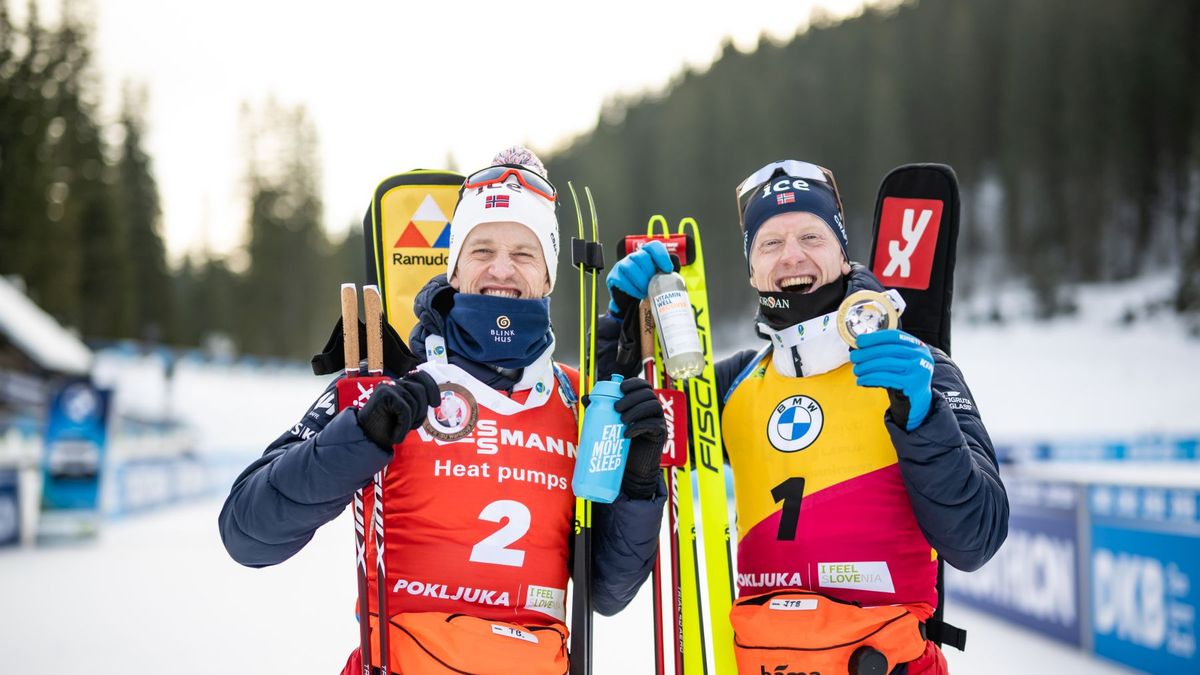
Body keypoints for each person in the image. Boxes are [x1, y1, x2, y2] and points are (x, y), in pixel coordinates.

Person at [219, 147, 668, 674]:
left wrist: (638, 482)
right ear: (454, 268)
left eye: (524, 254)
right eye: (481, 250)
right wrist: (359, 436)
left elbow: (607, 591)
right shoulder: (389, 385)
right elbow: (247, 533)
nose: (501, 269)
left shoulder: (575, 399)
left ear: (548, 277)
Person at [597, 159, 1008, 674]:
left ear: (841, 253)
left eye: (812, 237)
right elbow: (621, 431)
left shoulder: (916, 366)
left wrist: (923, 413)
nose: (793, 256)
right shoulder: (728, 387)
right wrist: (622, 330)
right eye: (770, 243)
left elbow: (977, 540)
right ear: (752, 269)